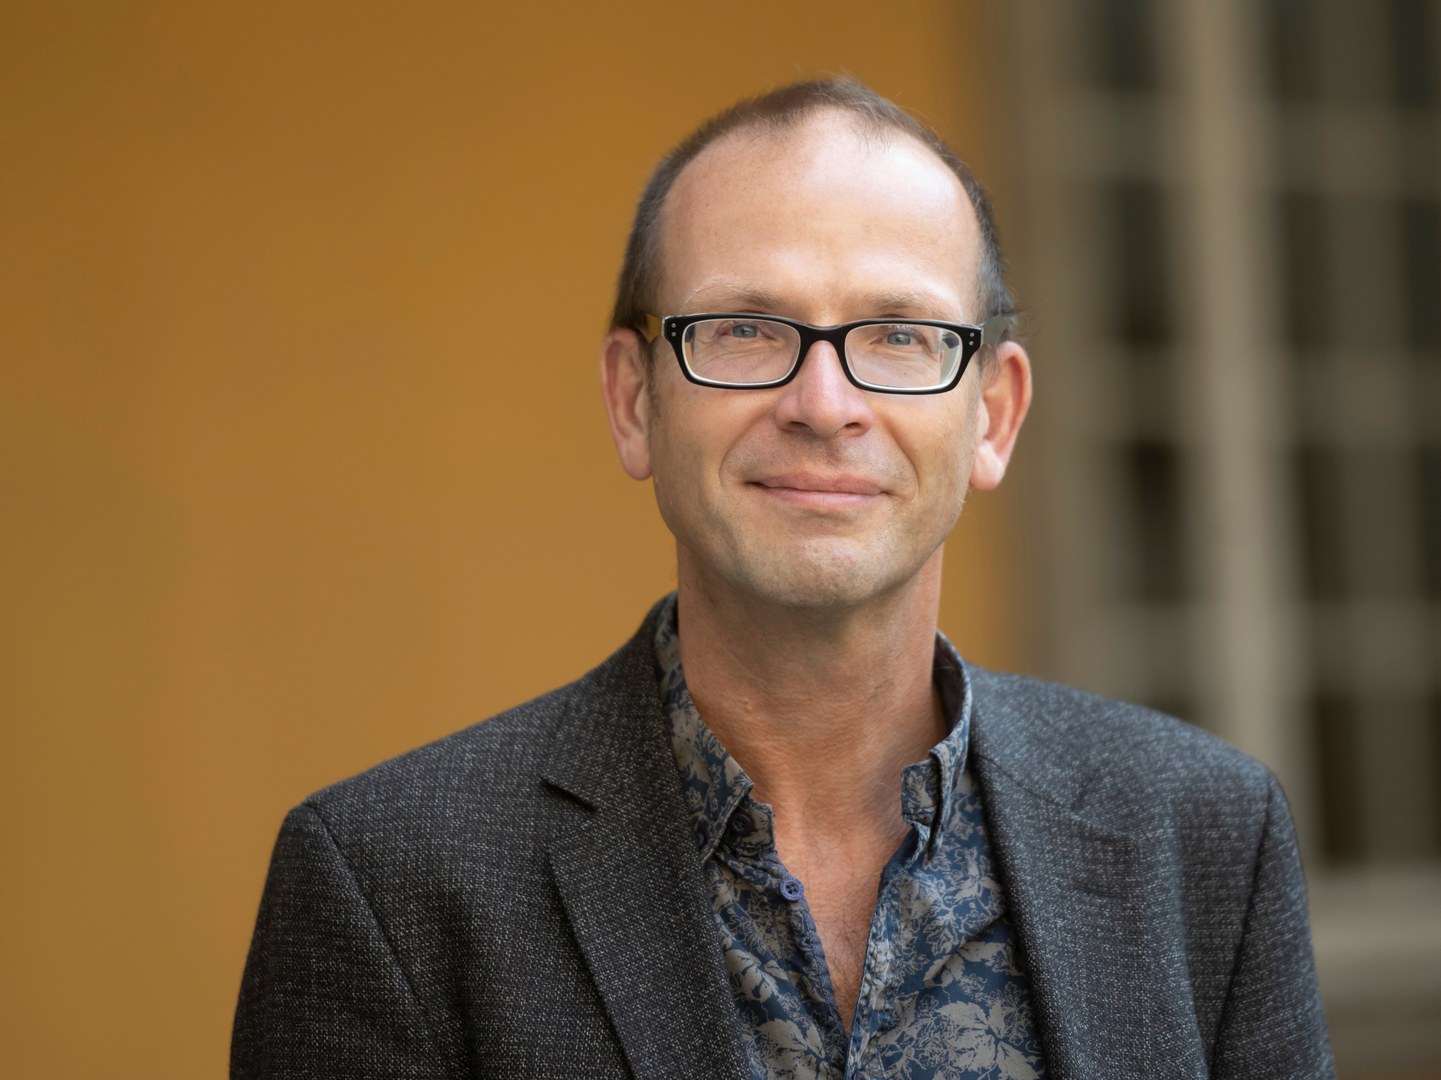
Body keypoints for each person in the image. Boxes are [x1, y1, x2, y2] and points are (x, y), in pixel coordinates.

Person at [232, 78, 1333, 1079]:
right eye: (745, 329)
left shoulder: (1203, 839)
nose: (823, 404)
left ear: (992, 415)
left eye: (899, 334)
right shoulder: (389, 883)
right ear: (633, 400)